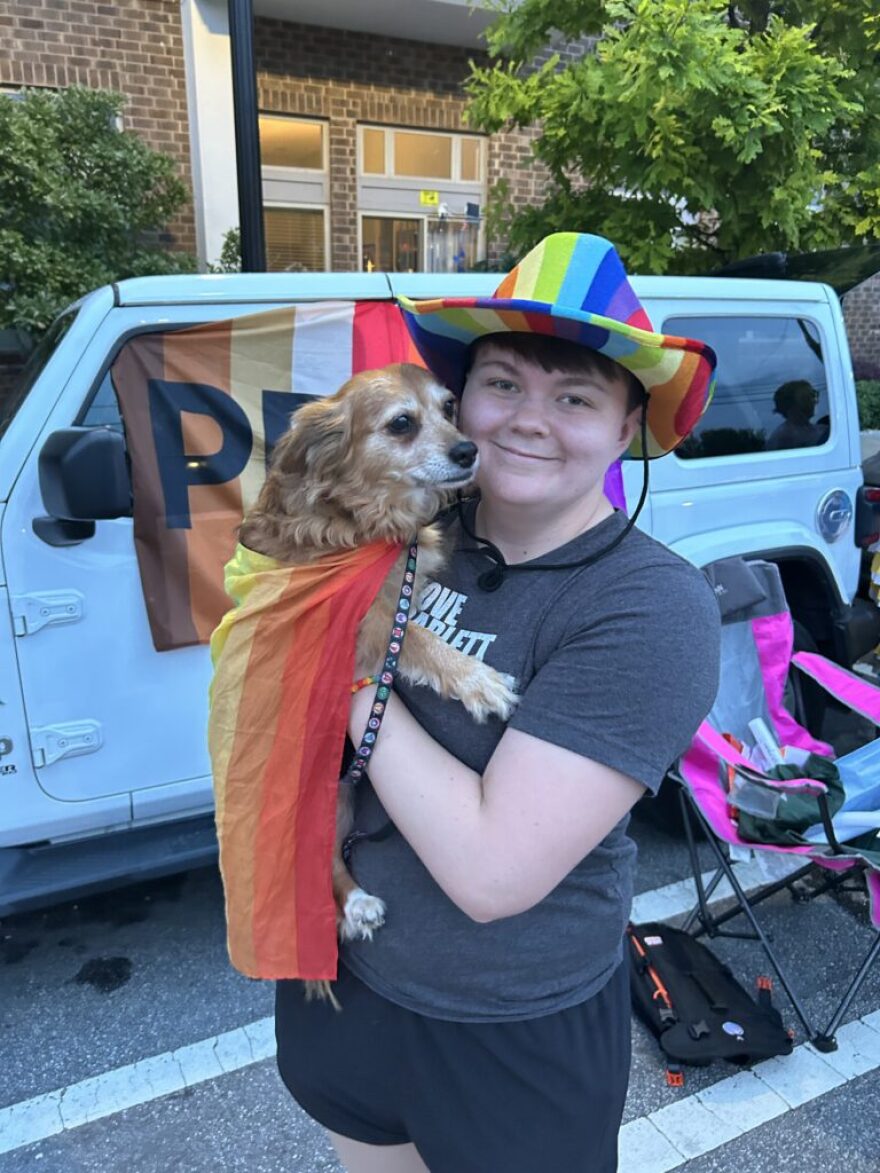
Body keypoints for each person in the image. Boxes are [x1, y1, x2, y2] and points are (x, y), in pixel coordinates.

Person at [274, 232, 722, 1173]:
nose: (527, 419)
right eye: (503, 383)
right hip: (344, 976)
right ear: (461, 400)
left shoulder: (646, 606)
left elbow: (491, 874)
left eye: (575, 396)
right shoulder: (406, 519)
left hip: (507, 1026)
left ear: (628, 426)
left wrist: (338, 666)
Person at [766, 379, 828, 450]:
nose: (815, 401)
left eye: (814, 395)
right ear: (791, 404)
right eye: (807, 397)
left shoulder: (821, 430)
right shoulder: (784, 438)